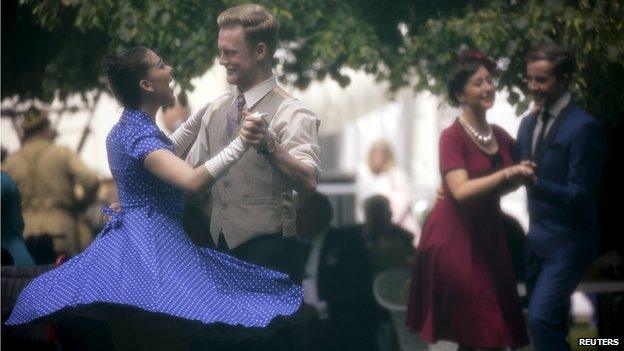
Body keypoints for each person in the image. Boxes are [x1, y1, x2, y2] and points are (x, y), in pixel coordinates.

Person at [6, 46, 303, 351]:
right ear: (146, 85)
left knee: (137, 334)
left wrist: (205, 113)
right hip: (150, 248)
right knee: (164, 333)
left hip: (131, 242)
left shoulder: (132, 127)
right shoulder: (140, 135)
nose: (170, 70)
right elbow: (190, 180)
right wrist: (241, 143)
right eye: (161, 66)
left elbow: (164, 151)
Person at [171, 5, 321, 349]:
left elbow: (309, 183)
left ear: (260, 51)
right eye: (220, 51)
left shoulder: (292, 112)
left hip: (269, 255)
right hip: (217, 252)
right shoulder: (216, 109)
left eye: (230, 52)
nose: (222, 59)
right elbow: (191, 177)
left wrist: (270, 145)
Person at [405, 51, 531, 350]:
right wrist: (507, 175)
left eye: (489, 80)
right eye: (478, 83)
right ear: (461, 93)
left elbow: (508, 182)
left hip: (488, 236)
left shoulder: (498, 135)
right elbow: (461, 191)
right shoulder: (452, 136)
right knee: (478, 330)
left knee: (492, 333)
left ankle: (605, 342)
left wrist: (514, 176)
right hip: (454, 240)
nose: (488, 87)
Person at [516, 43, 605, 351]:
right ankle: (606, 344)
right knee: (560, 327)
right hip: (536, 245)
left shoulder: (583, 127)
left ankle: (611, 343)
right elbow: (513, 167)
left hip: (569, 245)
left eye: (541, 80)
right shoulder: (527, 123)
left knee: (539, 321)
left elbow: (582, 194)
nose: (533, 87)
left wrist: (537, 183)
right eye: (529, 79)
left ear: (565, 80)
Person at [3, 109, 100, 257]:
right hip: (61, 229)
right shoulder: (61, 153)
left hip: (22, 233)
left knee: (24, 279)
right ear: (45, 129)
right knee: (63, 277)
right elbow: (91, 180)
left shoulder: (11, 161)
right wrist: (80, 205)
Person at [295, 192, 376, 351]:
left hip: (341, 330)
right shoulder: (299, 249)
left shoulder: (347, 243)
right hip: (309, 329)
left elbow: (358, 292)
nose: (296, 220)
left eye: (303, 213)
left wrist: (318, 308)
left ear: (324, 215)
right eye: (294, 214)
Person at [356, 140, 419, 240]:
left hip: (397, 226)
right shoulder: (366, 176)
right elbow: (361, 204)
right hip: (373, 229)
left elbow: (402, 202)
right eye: (375, 155)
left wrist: (389, 223)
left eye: (381, 155)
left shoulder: (396, 174)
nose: (377, 159)